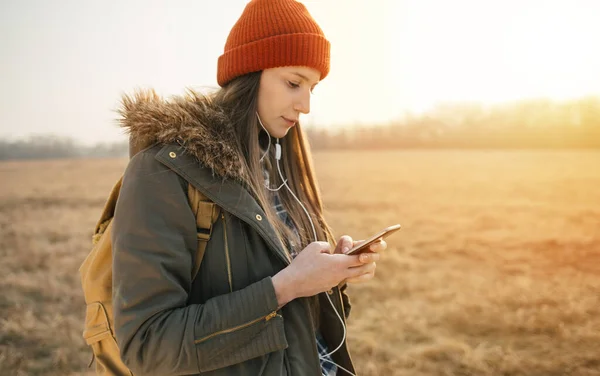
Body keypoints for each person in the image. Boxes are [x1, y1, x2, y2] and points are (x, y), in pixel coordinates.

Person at [111, 0, 387, 375]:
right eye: (293, 83)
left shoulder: (277, 167)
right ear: (249, 74)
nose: (305, 104)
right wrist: (285, 286)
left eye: (313, 87)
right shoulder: (161, 173)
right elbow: (148, 346)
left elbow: (301, 325)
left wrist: (331, 275)